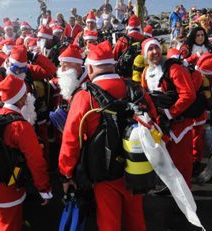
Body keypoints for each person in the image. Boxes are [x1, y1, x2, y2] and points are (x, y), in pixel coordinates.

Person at [59, 41, 147, 231]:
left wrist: (67, 174)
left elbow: (71, 139)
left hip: (104, 170)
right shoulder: (134, 88)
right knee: (136, 218)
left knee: (109, 222)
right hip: (137, 165)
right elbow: (154, 122)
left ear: (89, 67)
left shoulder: (84, 96)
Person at [0, 74, 52, 231]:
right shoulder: (20, 126)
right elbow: (36, 160)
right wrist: (44, 188)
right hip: (8, 190)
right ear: (21, 100)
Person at [141, 38, 197, 185]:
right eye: (150, 49)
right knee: (165, 162)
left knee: (181, 164)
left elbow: (188, 94)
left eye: (156, 48)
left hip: (179, 125)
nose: (154, 52)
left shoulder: (174, 69)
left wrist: (170, 113)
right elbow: (145, 97)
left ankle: (186, 201)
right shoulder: (146, 72)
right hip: (160, 125)